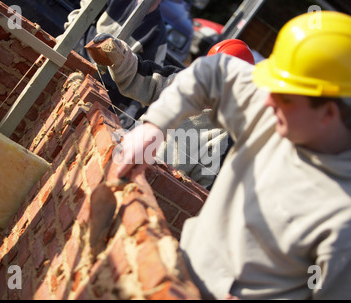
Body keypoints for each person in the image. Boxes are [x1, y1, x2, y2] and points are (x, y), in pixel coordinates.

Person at [114, 11, 351, 299]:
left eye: (282, 94)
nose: (266, 99)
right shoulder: (282, 106)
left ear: (328, 114)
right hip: (181, 266)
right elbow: (211, 73)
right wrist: (153, 127)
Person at [91, 34, 255, 188]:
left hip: (149, 191)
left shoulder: (224, 135)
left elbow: (200, 189)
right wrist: (118, 53)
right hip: (121, 155)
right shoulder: (181, 81)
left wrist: (169, 187)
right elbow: (139, 77)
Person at [63, 0, 167, 110]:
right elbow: (81, 16)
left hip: (101, 89)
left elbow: (149, 82)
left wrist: (131, 109)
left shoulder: (157, 32)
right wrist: (65, 44)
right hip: (76, 61)